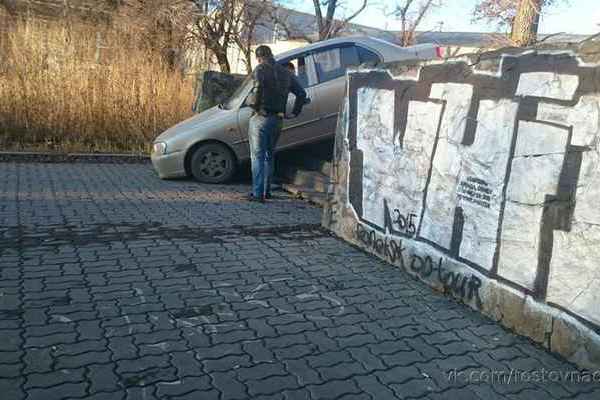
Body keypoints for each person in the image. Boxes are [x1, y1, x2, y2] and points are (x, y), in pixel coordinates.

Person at [246, 45, 307, 203]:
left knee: (257, 156)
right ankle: (267, 191)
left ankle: (257, 194)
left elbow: (257, 89)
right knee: (269, 155)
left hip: (261, 117)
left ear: (258, 57)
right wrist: (294, 113)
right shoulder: (286, 72)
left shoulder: (260, 69)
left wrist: (255, 106)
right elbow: (301, 94)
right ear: (271, 54)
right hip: (278, 119)